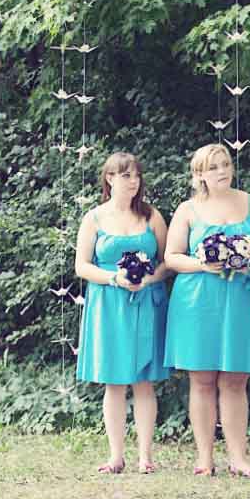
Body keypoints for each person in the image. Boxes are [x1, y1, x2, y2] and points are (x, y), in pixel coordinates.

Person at [163, 143, 250, 477]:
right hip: (199, 300)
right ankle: (204, 457)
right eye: (213, 167)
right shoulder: (188, 210)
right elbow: (172, 257)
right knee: (201, 378)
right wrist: (204, 264)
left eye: (225, 164)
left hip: (242, 297)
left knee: (235, 379)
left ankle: (238, 457)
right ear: (199, 174)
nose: (222, 171)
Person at [75, 152, 173, 475]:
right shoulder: (94, 219)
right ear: (110, 179)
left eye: (136, 176)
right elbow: (82, 266)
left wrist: (148, 278)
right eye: (126, 175)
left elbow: (168, 261)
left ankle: (146, 455)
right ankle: (116, 455)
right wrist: (114, 278)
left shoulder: (152, 216)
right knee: (114, 382)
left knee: (144, 381)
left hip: (146, 300)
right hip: (108, 303)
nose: (133, 181)